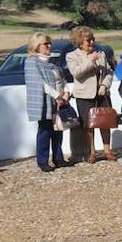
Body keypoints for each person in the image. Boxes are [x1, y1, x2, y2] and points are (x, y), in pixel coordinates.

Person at [22, 32, 73, 174]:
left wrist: (67, 92)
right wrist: (57, 96)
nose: (49, 46)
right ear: (37, 46)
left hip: (59, 101)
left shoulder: (52, 63)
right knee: (45, 131)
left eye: (49, 43)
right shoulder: (31, 62)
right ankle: (43, 161)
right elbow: (40, 84)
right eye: (46, 43)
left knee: (58, 130)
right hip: (46, 102)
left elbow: (61, 80)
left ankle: (58, 158)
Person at [67, 25, 117, 164]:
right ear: (79, 42)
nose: (91, 42)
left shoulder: (101, 54)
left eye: (92, 39)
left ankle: (107, 150)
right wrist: (91, 60)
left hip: (102, 94)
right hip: (84, 96)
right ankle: (92, 152)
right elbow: (76, 72)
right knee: (89, 125)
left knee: (105, 121)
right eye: (88, 40)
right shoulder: (72, 56)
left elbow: (109, 72)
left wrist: (104, 85)